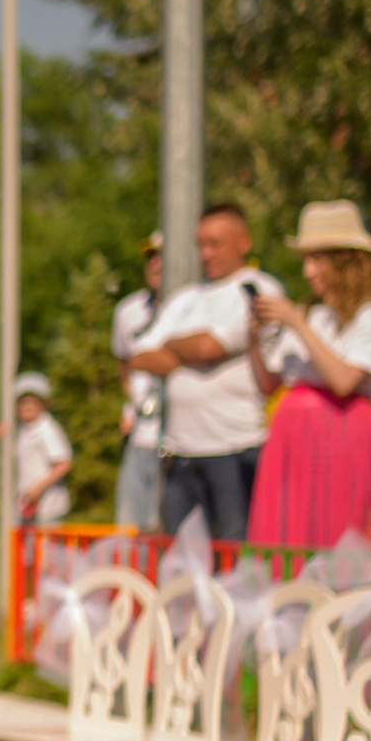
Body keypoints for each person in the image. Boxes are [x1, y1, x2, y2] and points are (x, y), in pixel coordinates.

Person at [128, 202, 281, 542]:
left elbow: (209, 347)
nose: (206, 253)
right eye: (201, 244)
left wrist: (174, 347)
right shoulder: (185, 298)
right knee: (179, 561)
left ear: (243, 242)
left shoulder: (257, 290)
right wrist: (195, 350)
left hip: (234, 448)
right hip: (179, 453)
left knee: (232, 554)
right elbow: (139, 356)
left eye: (215, 243)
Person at [245, 201, 371, 547]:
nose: (308, 271)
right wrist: (254, 336)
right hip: (292, 432)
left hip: (340, 431)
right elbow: (270, 383)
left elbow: (343, 381)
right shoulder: (311, 313)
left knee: (336, 528)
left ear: (344, 261)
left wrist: (296, 323)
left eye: (317, 259)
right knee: (289, 530)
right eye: (306, 260)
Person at [110, 233, 165, 529]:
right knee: (131, 527)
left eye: (162, 255)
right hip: (140, 436)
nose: (155, 263)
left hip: (180, 442)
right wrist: (132, 406)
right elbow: (124, 366)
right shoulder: (127, 311)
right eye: (149, 256)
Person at [11, 372, 73, 526]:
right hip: (25, 505)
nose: (28, 407)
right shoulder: (21, 429)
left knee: (45, 549)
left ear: (44, 404)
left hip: (47, 506)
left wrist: (37, 489)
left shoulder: (47, 428)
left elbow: (63, 463)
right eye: (23, 402)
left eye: (33, 402)